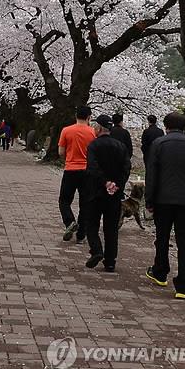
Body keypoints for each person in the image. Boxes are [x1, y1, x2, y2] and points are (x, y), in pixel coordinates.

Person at [145, 112, 185, 299]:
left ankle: (161, 272)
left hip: (162, 200)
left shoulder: (159, 144)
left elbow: (152, 175)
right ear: (184, 127)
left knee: (162, 237)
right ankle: (182, 285)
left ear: (166, 126)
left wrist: (149, 200)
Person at [85, 114, 130, 272]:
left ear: (98, 128)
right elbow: (126, 168)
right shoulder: (121, 146)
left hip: (96, 191)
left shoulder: (93, 146)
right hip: (115, 194)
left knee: (91, 224)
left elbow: (92, 167)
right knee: (111, 227)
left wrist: (105, 182)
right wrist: (117, 185)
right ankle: (110, 261)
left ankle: (96, 250)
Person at [58, 105, 95, 243]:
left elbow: (61, 152)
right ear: (89, 117)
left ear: (76, 116)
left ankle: (70, 222)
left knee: (64, 200)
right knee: (85, 203)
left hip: (70, 169)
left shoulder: (66, 130)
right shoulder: (93, 133)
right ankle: (81, 235)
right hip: (87, 171)